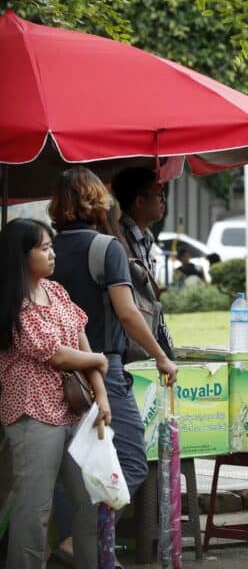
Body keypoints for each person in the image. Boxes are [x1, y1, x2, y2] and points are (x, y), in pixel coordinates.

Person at [48, 167, 177, 552]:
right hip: (101, 369)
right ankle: (79, 542)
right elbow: (127, 313)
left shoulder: (45, 247)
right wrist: (161, 357)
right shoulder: (108, 249)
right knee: (132, 462)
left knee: (70, 467)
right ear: (97, 202)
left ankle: (75, 542)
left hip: (53, 369)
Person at [0, 219, 111, 569]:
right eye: (43, 248)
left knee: (88, 501)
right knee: (34, 511)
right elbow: (56, 354)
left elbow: (82, 343)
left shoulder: (57, 292)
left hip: (74, 413)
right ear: (20, 255)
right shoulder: (14, 305)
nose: (52, 254)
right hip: (33, 416)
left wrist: (102, 396)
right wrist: (98, 359)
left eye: (51, 246)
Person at [110, 167, 175, 350]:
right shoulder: (121, 240)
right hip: (131, 341)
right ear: (139, 201)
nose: (164, 201)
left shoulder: (145, 237)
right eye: (159, 195)